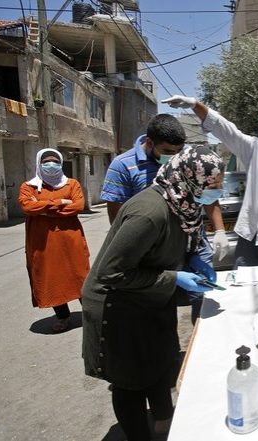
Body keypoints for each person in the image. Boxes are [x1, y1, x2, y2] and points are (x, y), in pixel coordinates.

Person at [82, 146, 226, 441]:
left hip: (148, 298)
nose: (216, 192)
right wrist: (175, 278)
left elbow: (173, 243)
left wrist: (193, 258)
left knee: (161, 365)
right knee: (130, 381)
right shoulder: (149, 212)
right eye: (211, 185)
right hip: (118, 305)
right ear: (190, 177)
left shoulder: (182, 202)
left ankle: (164, 423)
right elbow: (112, 272)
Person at [161, 95, 258, 267]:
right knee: (243, 286)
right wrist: (194, 104)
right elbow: (225, 128)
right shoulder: (252, 149)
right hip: (248, 237)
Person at [100, 114, 227, 322]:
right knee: (156, 300)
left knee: (199, 298)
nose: (174, 157)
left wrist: (218, 231)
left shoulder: (188, 160)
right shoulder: (123, 167)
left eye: (178, 151)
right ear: (150, 143)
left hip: (188, 242)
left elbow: (206, 193)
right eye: (168, 152)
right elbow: (118, 219)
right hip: (152, 248)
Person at [18, 148, 90, 333]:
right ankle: (63, 317)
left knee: (80, 275)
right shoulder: (29, 186)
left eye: (55, 161)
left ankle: (92, 314)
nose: (51, 165)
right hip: (42, 243)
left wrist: (42, 209)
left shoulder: (72, 184)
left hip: (70, 240)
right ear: (39, 164)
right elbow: (27, 206)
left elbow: (78, 205)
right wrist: (60, 203)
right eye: (46, 162)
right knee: (51, 277)